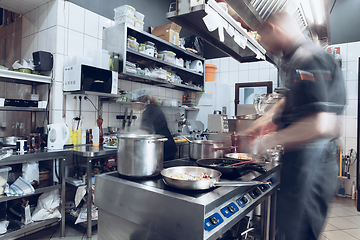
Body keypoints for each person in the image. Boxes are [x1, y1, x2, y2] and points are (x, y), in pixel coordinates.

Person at [240, 11, 346, 240]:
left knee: (296, 234)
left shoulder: (310, 58)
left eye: (263, 38)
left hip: (313, 163)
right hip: (301, 161)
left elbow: (322, 124)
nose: (266, 47)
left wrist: (268, 140)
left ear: (275, 29)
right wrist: (264, 121)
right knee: (288, 229)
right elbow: (294, 99)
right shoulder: (296, 59)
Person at [133, 92, 177, 161]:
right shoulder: (152, 108)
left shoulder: (149, 110)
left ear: (141, 102)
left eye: (134, 103)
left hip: (164, 148)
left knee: (160, 170)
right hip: (166, 146)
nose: (133, 106)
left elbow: (144, 131)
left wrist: (127, 137)